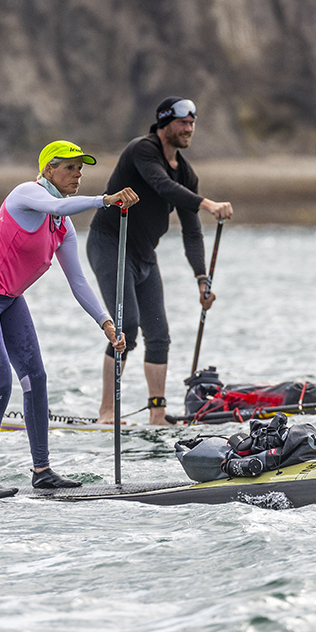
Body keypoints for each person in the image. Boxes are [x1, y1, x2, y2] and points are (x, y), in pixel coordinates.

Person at [0, 140, 140, 499]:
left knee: (36, 377)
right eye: (70, 167)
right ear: (49, 170)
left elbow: (78, 282)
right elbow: (57, 204)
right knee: (0, 382)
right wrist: (105, 200)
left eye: (81, 168)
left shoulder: (62, 227)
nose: (78, 174)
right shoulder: (27, 194)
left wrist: (105, 323)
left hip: (9, 299)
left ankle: (42, 472)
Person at [87, 96, 233, 426]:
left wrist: (201, 278)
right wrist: (208, 203)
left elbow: (192, 232)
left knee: (159, 337)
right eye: (183, 123)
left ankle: (157, 414)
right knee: (128, 329)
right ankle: (106, 412)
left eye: (192, 123)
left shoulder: (187, 174)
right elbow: (160, 185)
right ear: (164, 124)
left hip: (144, 255)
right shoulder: (143, 150)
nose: (189, 128)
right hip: (111, 245)